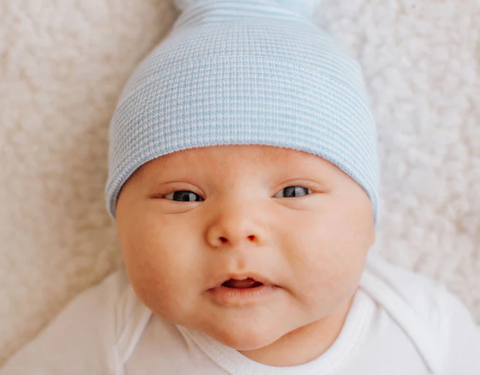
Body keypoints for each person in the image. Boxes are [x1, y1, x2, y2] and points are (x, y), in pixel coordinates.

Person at [1, 0, 479, 374]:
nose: (236, 227)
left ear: (368, 220)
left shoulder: (421, 325)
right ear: (119, 219)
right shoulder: (112, 330)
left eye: (293, 193)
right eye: (185, 196)